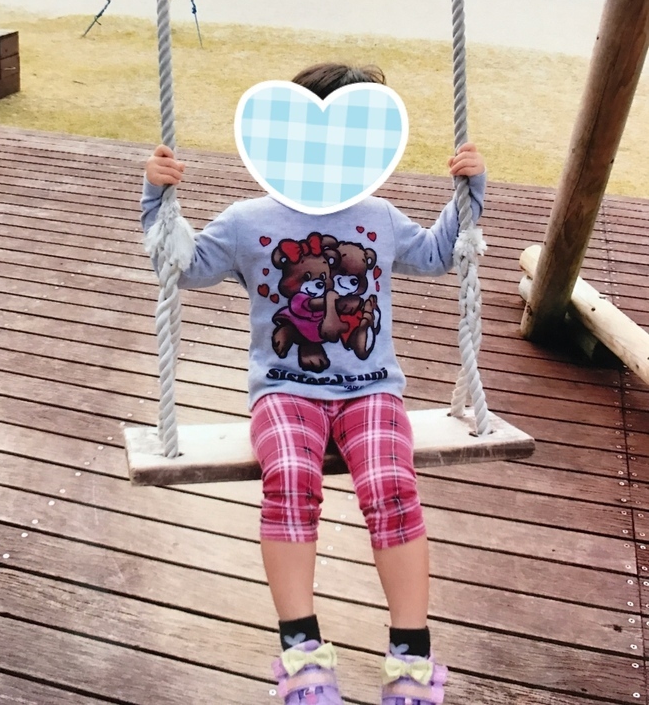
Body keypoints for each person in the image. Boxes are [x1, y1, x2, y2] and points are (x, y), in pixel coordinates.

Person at [141, 63, 486, 705]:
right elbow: (183, 266)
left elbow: (438, 255)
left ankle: (411, 659)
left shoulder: (379, 217)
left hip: (371, 388)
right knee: (291, 480)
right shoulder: (248, 221)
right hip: (285, 389)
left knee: (391, 485)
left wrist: (467, 194)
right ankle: (302, 656)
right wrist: (157, 198)